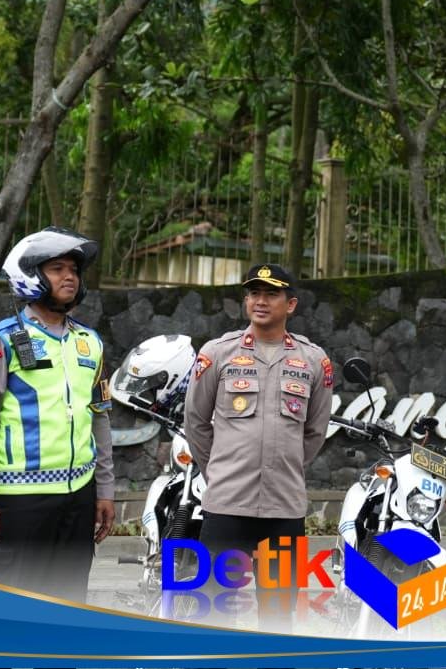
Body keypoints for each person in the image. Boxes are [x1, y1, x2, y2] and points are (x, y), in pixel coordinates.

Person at [0, 227, 115, 603]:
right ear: (29, 275)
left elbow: (99, 416)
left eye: (74, 270)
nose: (69, 277)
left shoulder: (90, 341)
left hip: (79, 495)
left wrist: (105, 490)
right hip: (19, 499)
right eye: (57, 268)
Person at [183, 263, 333, 622]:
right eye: (253, 293)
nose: (260, 301)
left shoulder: (314, 360)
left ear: (291, 304)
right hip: (227, 506)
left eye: (271, 294)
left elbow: (315, 431)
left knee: (278, 614)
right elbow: (196, 422)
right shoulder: (218, 353)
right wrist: (220, 470)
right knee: (215, 610)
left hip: (284, 509)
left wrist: (284, 466)